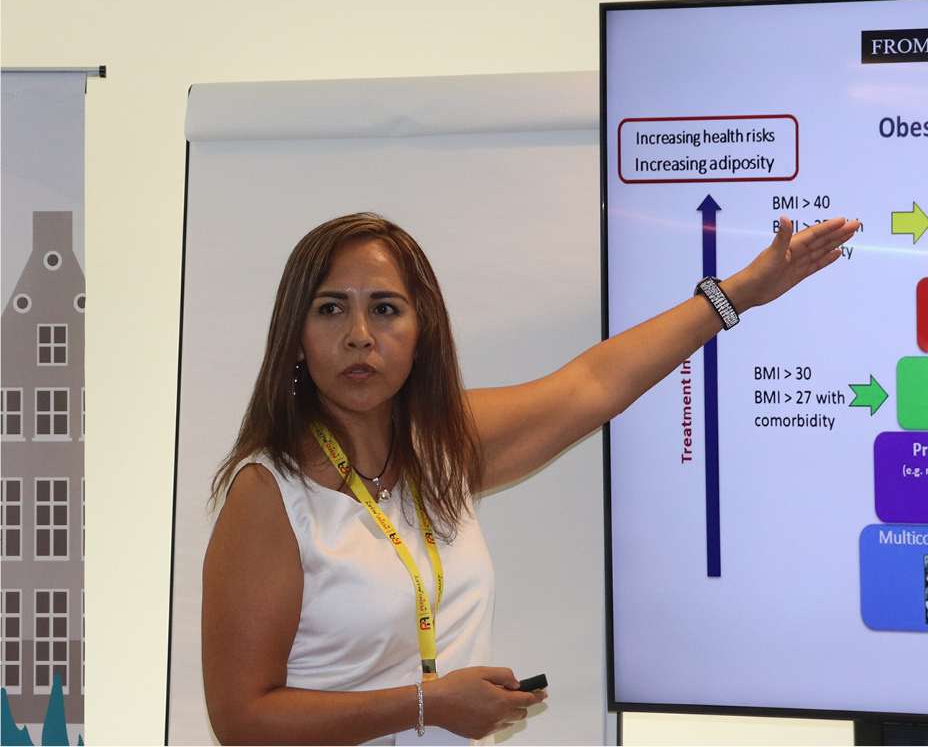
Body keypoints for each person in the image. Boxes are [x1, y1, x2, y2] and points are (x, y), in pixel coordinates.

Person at [201, 210, 860, 745]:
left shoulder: (442, 448)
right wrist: (427, 705)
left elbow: (594, 383)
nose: (359, 335)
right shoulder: (269, 493)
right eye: (330, 309)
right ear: (296, 335)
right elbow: (241, 719)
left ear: (422, 330)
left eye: (385, 309)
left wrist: (736, 294)